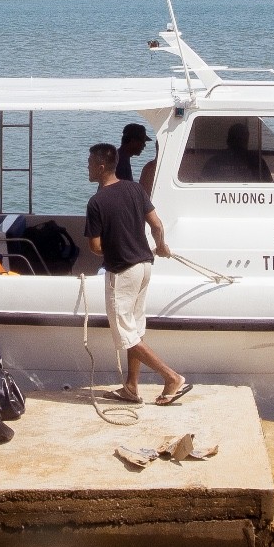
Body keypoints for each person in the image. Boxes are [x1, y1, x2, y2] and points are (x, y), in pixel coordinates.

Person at [83, 142, 188, 405]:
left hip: (122, 271)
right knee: (135, 329)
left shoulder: (96, 202)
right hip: (144, 266)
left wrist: (116, 246)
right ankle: (131, 387)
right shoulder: (134, 189)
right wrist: (161, 246)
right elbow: (157, 225)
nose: (87, 167)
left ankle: (171, 377)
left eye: (90, 163)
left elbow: (95, 247)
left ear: (101, 166)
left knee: (125, 334)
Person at [116, 121, 157, 191]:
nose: (144, 145)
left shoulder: (121, 156)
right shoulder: (120, 161)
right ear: (133, 141)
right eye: (143, 142)